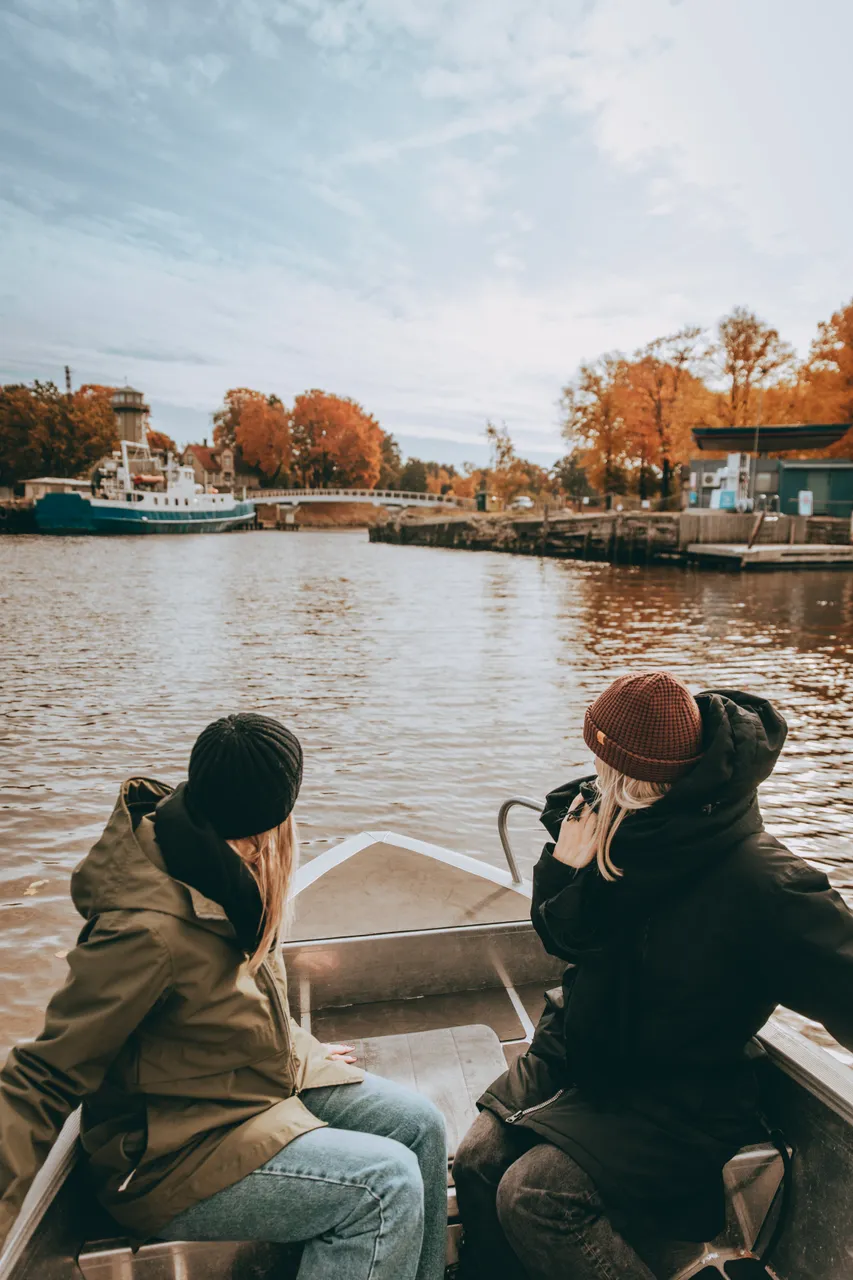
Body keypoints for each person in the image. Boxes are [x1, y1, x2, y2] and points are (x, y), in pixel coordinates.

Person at [0, 713, 447, 1280]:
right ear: (269, 820)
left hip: (245, 1096)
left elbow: (228, 1002)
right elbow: (42, 1076)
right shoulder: (143, 930)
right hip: (171, 1158)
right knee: (384, 1185)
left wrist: (296, 1049)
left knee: (421, 1127)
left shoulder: (222, 863)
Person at [453, 673, 853, 1280]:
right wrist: (563, 866)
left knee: (535, 1196)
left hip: (677, 1094)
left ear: (640, 777)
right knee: (477, 1159)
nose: (594, 777)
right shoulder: (612, 820)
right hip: (581, 1048)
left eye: (607, 767)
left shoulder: (766, 883)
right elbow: (569, 940)